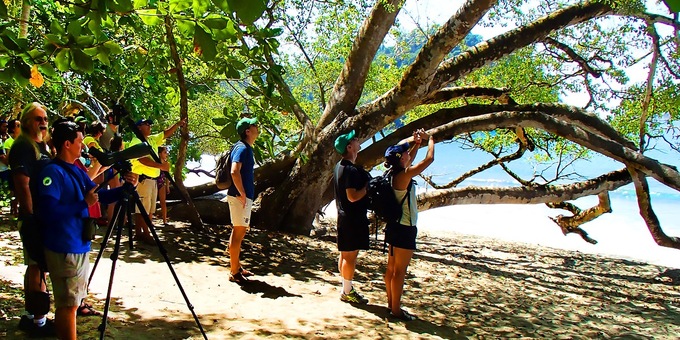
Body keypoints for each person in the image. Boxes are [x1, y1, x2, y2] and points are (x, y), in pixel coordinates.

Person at [37, 120, 137, 340]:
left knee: (73, 303)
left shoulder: (76, 169)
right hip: (64, 246)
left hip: (79, 244)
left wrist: (126, 189)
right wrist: (83, 203)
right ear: (66, 144)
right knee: (68, 306)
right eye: (80, 142)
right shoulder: (53, 172)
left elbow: (98, 196)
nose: (83, 147)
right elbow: (47, 212)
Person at [8, 102, 55, 336]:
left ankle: (34, 316)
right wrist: (30, 218)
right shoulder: (23, 147)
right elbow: (22, 184)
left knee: (38, 265)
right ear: (27, 121)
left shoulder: (42, 145)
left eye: (45, 118)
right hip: (33, 217)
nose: (43, 122)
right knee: (36, 264)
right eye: (38, 118)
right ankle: (37, 321)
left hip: (45, 215)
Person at [383, 129, 434, 321]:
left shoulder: (393, 172)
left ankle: (391, 304)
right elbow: (428, 161)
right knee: (399, 271)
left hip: (394, 226)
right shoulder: (403, 176)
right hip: (405, 229)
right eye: (405, 152)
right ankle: (396, 310)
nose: (408, 154)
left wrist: (417, 144)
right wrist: (432, 140)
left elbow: (409, 160)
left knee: (391, 269)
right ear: (400, 158)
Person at [128, 117, 184, 244]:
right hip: (143, 178)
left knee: (148, 208)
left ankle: (139, 233)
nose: (149, 126)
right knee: (143, 207)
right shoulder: (136, 141)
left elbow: (165, 134)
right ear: (139, 127)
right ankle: (146, 234)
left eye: (149, 124)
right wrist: (160, 166)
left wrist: (177, 125)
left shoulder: (152, 139)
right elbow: (141, 159)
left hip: (152, 179)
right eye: (146, 124)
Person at [332, 129, 371, 304]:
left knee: (345, 254)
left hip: (344, 217)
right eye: (354, 139)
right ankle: (347, 291)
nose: (357, 140)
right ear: (349, 147)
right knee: (350, 257)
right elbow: (352, 196)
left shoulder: (340, 166)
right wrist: (368, 188)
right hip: (351, 218)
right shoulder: (349, 170)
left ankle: (345, 287)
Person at [226, 117, 259, 284]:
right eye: (254, 125)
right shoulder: (242, 148)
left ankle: (236, 266)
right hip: (240, 197)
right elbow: (234, 171)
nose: (257, 128)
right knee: (238, 233)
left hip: (241, 196)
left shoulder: (245, 148)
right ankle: (234, 272)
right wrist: (242, 193)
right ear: (247, 130)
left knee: (239, 231)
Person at [156, 146, 170, 225]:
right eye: (164, 152)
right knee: (152, 201)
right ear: (160, 154)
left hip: (162, 183)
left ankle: (164, 220)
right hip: (154, 181)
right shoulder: (156, 162)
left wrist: (167, 186)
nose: (166, 154)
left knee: (163, 202)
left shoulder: (166, 164)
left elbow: (167, 176)